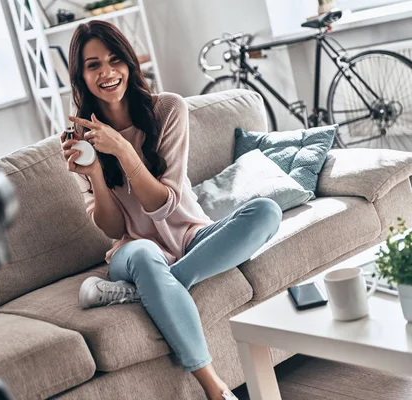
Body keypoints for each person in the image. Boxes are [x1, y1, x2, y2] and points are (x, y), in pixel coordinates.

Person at [60, 20, 281, 400]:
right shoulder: (78, 138)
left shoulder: (168, 110)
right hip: (131, 252)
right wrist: (96, 171)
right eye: (94, 65)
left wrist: (125, 151)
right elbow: (113, 228)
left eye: (115, 60)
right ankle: (215, 389)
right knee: (145, 254)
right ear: (80, 75)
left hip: (191, 236)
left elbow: (163, 206)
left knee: (266, 212)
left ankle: (152, 288)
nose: (108, 73)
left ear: (129, 63)